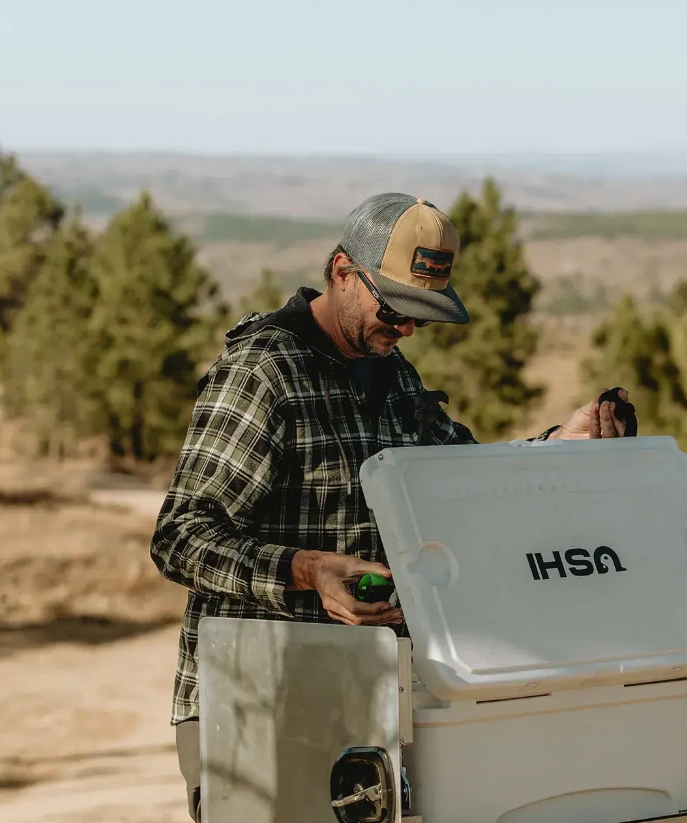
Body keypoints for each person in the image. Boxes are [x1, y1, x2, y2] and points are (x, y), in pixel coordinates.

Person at [149, 191, 634, 821]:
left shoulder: (395, 375)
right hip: (261, 699)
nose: (406, 329)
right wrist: (307, 571)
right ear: (344, 271)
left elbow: (458, 483)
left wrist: (557, 447)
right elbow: (181, 537)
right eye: (396, 308)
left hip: (375, 698)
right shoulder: (262, 371)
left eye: (421, 317)